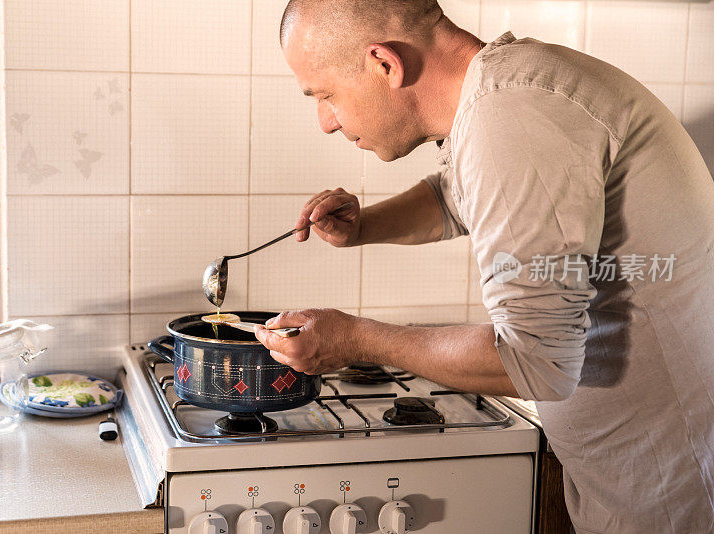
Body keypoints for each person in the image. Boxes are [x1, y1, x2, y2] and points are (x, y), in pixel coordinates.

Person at [253, 0, 714, 532]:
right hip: (642, 472)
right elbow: (457, 198)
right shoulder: (505, 93)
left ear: (385, 64)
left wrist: (355, 339)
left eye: (326, 95)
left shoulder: (515, 113)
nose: (326, 122)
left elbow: (534, 359)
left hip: (675, 490)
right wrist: (365, 227)